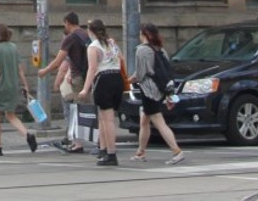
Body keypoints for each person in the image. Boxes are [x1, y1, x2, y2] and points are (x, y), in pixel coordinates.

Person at [129, 23, 185, 165]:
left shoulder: (141, 50)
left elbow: (141, 74)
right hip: (159, 90)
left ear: (144, 34)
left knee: (159, 122)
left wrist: (130, 79)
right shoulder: (160, 49)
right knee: (144, 121)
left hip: (149, 91)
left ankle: (176, 151)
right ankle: (140, 152)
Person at [38, 11, 89, 153]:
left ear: (67, 22)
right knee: (85, 109)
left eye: (64, 24)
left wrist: (44, 71)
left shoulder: (71, 37)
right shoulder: (85, 35)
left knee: (76, 110)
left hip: (77, 77)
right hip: (88, 76)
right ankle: (77, 140)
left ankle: (77, 143)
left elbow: (58, 61)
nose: (64, 27)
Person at [0, 23, 37, 156]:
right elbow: (19, 68)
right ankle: (27, 135)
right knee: (11, 115)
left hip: (0, 86)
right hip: (13, 86)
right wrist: (25, 85)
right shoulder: (13, 47)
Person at [76, 18, 122, 167]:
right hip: (117, 77)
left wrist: (85, 88)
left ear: (90, 31)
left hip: (103, 80)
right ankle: (102, 149)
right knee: (104, 118)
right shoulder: (112, 42)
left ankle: (111, 153)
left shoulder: (93, 47)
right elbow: (121, 59)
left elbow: (92, 68)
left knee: (107, 120)